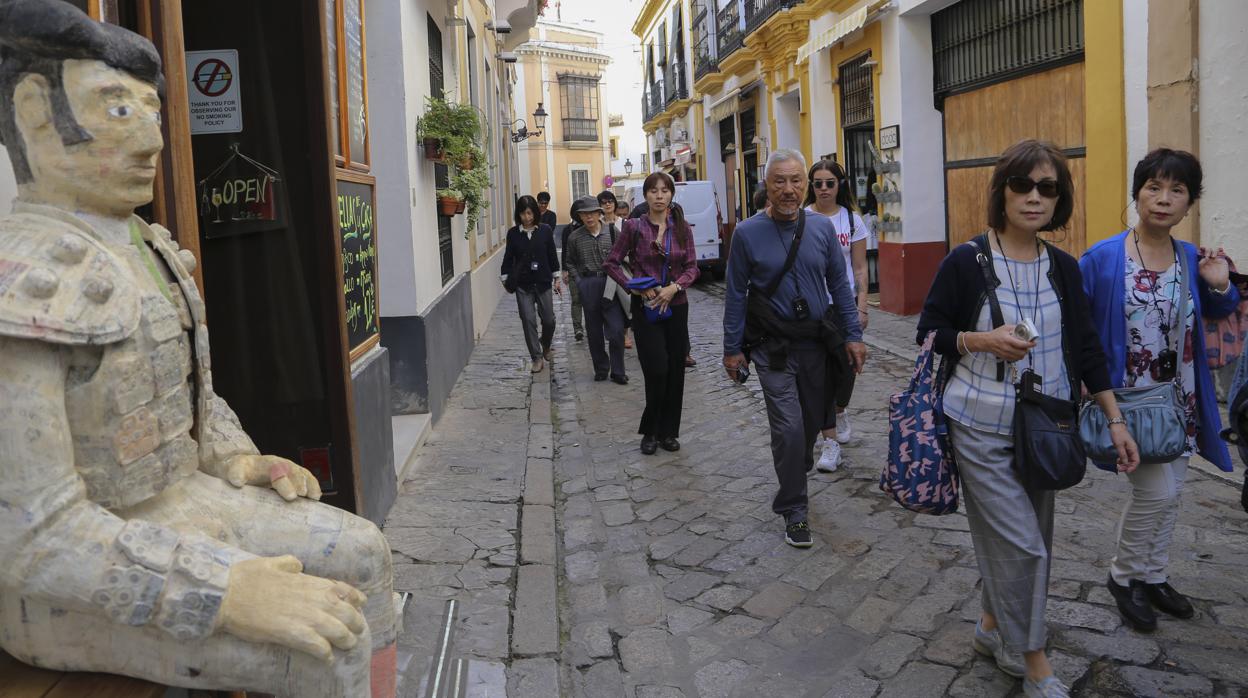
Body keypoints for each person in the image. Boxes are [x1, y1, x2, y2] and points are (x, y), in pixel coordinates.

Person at [0, 3, 396, 696]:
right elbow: (32, 535)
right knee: (329, 648)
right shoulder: (20, 285)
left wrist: (236, 455)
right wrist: (226, 590)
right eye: (119, 110)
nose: (154, 138)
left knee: (364, 551)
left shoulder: (148, 248)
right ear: (35, 111)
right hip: (71, 584)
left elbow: (193, 401)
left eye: (153, 111)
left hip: (189, 501)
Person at [917, 139, 1139, 698]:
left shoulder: (1064, 267)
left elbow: (1087, 348)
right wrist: (978, 340)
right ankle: (1036, 661)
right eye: (1023, 185)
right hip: (978, 421)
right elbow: (930, 332)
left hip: (1046, 425)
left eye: (1048, 188)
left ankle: (991, 627)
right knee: (1023, 545)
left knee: (1031, 532)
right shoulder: (966, 261)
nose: (1035, 197)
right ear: (1002, 192)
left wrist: (1115, 419)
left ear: (1059, 198)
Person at [1080, 148, 1238, 632]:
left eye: (1177, 190)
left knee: (1173, 491)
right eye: (1154, 187)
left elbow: (1219, 309)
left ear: (1190, 203)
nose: (1163, 198)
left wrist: (1218, 284)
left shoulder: (1192, 256)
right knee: (1155, 492)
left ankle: (1154, 575)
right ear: (1137, 193)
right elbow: (1079, 329)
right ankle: (1124, 576)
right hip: (1126, 399)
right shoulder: (1103, 258)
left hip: (1180, 396)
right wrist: (1089, 386)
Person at [721, 149, 867, 549]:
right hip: (772, 349)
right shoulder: (748, 234)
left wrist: (853, 335)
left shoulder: (820, 229)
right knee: (788, 428)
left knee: (803, 433)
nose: (789, 189)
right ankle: (794, 510)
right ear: (766, 185)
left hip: (816, 346)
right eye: (779, 181)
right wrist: (732, 349)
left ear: (805, 184)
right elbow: (735, 295)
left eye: (796, 181)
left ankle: (796, 465)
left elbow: (840, 285)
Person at [605, 173, 699, 454]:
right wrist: (633, 287)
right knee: (656, 369)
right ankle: (651, 430)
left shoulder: (682, 229)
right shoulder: (633, 227)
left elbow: (693, 267)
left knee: (675, 371)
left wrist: (675, 288)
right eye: (654, 191)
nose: (659, 195)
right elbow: (611, 263)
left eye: (665, 191)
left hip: (676, 306)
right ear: (645, 196)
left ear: (671, 195)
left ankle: (669, 432)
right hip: (646, 309)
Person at [804, 159, 869, 472]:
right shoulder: (801, 218)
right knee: (818, 374)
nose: (824, 189)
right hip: (812, 308)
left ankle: (839, 410)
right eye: (818, 183)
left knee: (846, 371)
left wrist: (862, 305)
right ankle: (829, 441)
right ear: (811, 186)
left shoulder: (852, 221)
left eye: (830, 182)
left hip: (843, 307)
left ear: (840, 185)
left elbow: (859, 267)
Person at [566, 196, 629, 383]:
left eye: (592, 213)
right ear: (580, 217)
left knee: (617, 330)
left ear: (599, 213)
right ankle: (601, 368)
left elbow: (624, 252)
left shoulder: (612, 232)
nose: (589, 217)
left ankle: (618, 371)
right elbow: (569, 262)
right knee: (594, 332)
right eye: (584, 214)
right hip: (589, 284)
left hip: (611, 283)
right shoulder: (574, 237)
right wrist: (579, 281)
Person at [502, 196, 562, 373]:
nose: (526, 217)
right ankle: (536, 357)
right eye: (522, 213)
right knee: (528, 320)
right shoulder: (513, 234)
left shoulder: (545, 230)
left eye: (529, 213)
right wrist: (505, 278)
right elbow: (508, 257)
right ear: (518, 214)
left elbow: (552, 255)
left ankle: (545, 343)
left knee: (549, 320)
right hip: (523, 285)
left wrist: (556, 277)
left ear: (535, 213)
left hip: (543, 282)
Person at [599, 190, 634, 350]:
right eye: (603, 202)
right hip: (603, 271)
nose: (607, 204)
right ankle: (612, 330)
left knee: (624, 301)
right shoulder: (597, 224)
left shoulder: (624, 224)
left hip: (621, 268)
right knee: (610, 304)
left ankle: (625, 334)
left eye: (610, 201)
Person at [561, 197, 586, 341]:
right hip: (573, 270)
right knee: (576, 300)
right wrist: (564, 271)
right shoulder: (567, 230)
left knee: (590, 300)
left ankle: (592, 325)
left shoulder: (590, 227)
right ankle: (578, 328)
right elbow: (565, 250)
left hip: (589, 270)